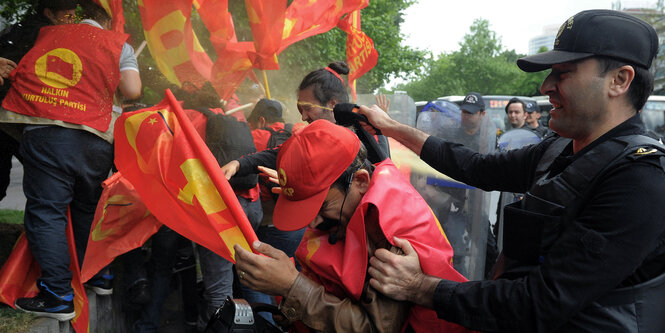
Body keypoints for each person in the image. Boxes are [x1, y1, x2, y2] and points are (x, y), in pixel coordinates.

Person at [362, 10, 665, 332]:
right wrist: (393, 128)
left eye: (563, 73)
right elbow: (475, 167)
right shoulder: (559, 148)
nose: (545, 86)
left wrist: (418, 286)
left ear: (619, 80)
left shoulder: (640, 179)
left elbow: (539, 302)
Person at [233, 120, 467, 332]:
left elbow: (376, 329)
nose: (313, 222)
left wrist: (291, 285)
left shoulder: (393, 233)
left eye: (321, 206)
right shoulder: (351, 203)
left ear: (360, 181)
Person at [0, 1, 141, 320]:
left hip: (49, 131)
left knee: (47, 212)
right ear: (108, 19)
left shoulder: (50, 35)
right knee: (87, 210)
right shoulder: (118, 44)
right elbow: (132, 89)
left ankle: (58, 295)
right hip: (98, 139)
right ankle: (98, 277)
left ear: (78, 14)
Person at [221, 61, 390, 182]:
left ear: (332, 104)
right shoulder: (317, 136)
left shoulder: (367, 132)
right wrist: (238, 164)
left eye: (308, 108)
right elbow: (283, 153)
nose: (303, 117)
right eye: (300, 110)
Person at [0, 0, 78, 202]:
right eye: (68, 16)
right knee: (49, 186)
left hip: (15, 119)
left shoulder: (15, 31)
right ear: (49, 13)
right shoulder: (46, 37)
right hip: (18, 119)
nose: (73, 20)